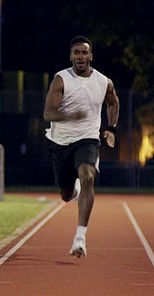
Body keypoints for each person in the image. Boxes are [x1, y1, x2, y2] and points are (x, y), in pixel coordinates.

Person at [43, 35, 120, 258]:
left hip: (88, 139)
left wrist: (112, 128)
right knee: (66, 194)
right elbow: (48, 113)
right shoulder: (61, 79)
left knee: (87, 175)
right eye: (76, 53)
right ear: (71, 56)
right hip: (61, 142)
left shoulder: (103, 81)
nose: (80, 56)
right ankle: (74, 191)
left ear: (91, 56)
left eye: (84, 52)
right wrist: (69, 114)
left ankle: (80, 238)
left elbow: (113, 102)